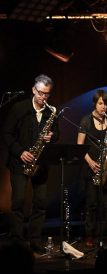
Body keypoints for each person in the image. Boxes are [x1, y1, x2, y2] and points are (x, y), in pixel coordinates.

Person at [2, 74, 59, 253]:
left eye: (47, 94)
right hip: (20, 161)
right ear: (33, 90)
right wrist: (20, 152)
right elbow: (6, 133)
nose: (43, 98)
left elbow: (57, 133)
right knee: (18, 201)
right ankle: (18, 241)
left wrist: (52, 136)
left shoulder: (51, 111)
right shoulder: (20, 108)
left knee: (40, 203)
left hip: (41, 163)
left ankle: (35, 240)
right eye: (41, 93)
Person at [77, 89, 107, 248]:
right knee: (92, 204)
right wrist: (90, 162)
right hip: (92, 167)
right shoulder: (86, 121)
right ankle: (90, 234)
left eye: (106, 104)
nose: (104, 107)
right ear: (95, 103)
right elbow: (79, 146)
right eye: (101, 103)